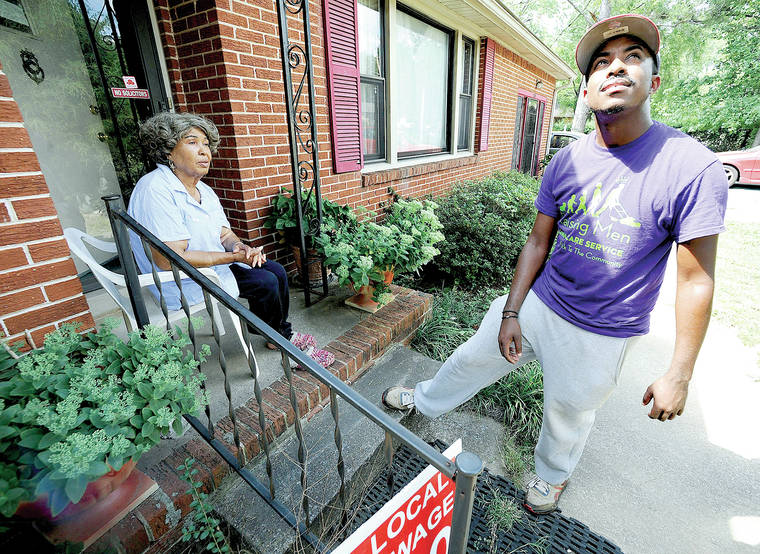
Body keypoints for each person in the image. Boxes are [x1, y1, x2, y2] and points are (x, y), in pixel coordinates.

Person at [382, 14, 728, 514]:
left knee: (568, 413)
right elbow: (538, 240)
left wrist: (679, 372)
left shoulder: (692, 167)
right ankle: (425, 399)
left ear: (654, 81)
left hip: (603, 331)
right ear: (586, 91)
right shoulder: (567, 161)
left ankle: (550, 477)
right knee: (470, 359)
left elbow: (695, 281)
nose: (616, 68)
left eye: (632, 58)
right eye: (602, 63)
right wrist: (511, 311)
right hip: (539, 304)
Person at [127, 111, 333, 366]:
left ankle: (273, 331)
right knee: (265, 281)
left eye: (206, 144)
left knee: (277, 271)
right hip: (183, 280)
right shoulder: (155, 189)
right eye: (192, 142)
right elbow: (168, 260)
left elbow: (224, 233)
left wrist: (240, 247)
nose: (204, 151)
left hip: (211, 265)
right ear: (168, 150)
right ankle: (281, 337)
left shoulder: (203, 189)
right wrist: (233, 258)